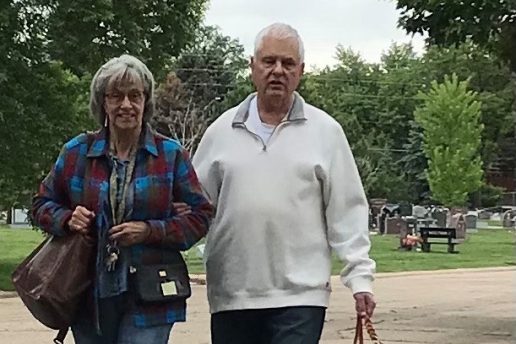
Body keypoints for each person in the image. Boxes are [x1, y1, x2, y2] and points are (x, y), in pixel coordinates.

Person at [193, 23, 376, 344]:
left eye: (288, 64)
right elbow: (193, 207)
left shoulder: (326, 133)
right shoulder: (220, 132)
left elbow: (347, 211)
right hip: (233, 294)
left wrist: (360, 279)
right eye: (269, 62)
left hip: (301, 297)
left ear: (301, 71)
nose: (278, 71)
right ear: (252, 67)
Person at [31, 54, 214, 343]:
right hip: (88, 293)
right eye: (115, 96)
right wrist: (67, 219)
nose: (126, 105)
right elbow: (41, 204)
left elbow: (201, 214)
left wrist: (150, 230)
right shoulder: (77, 152)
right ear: (102, 102)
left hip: (151, 291)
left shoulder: (170, 155)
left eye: (134, 95)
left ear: (146, 101)